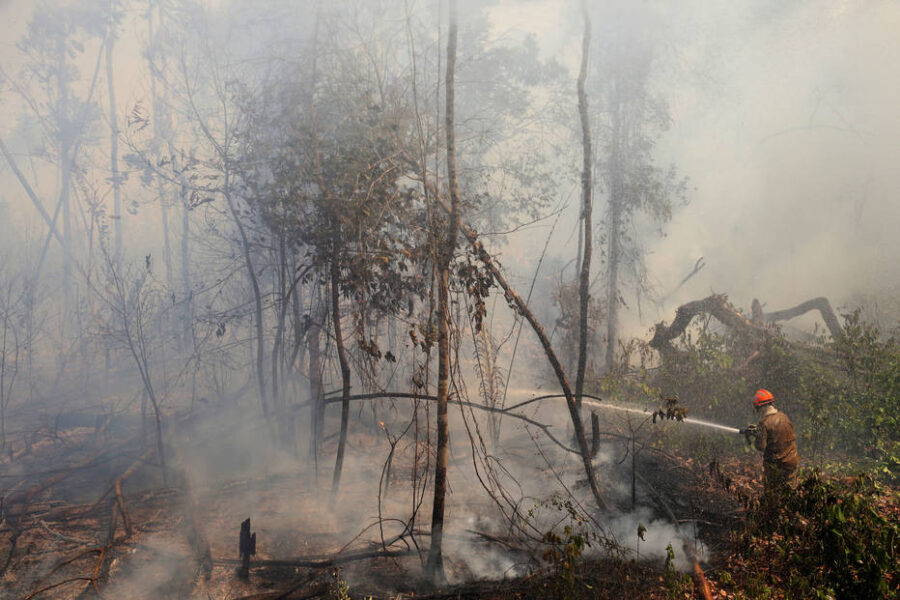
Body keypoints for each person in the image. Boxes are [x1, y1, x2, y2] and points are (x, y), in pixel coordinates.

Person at [747, 389, 799, 493]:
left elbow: (761, 447)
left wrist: (757, 436)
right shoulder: (784, 416)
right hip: (792, 461)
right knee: (791, 490)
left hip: (776, 464)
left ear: (759, 407)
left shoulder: (764, 423)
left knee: (773, 493)